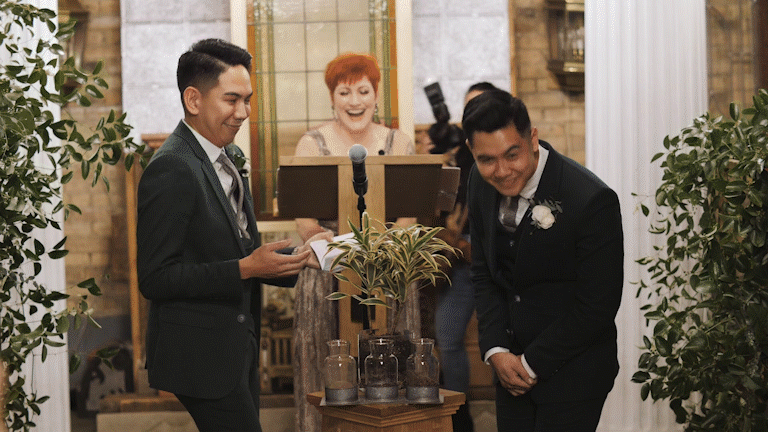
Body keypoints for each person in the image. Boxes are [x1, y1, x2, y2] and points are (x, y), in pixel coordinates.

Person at [136, 38, 327, 432]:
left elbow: (237, 250)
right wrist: (245, 268)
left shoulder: (226, 156)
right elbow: (155, 278)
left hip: (237, 344)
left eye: (248, 100)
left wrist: (301, 257)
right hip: (200, 355)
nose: (244, 112)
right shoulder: (172, 167)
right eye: (232, 100)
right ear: (193, 99)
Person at [462, 89, 623, 431]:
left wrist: (530, 363)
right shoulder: (478, 180)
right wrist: (496, 350)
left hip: (574, 373)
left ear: (532, 139)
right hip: (509, 370)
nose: (502, 171)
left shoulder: (591, 199)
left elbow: (597, 306)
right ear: (471, 152)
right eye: (487, 159)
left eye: (512, 155)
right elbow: (484, 273)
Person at [292, 52, 414, 432]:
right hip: (327, 273)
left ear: (376, 95)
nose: (355, 101)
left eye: (363, 91)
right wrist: (328, 246)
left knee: (390, 373)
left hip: (387, 273)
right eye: (344, 92)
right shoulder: (311, 143)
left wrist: (379, 253)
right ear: (332, 97)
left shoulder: (398, 142)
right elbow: (304, 219)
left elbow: (409, 216)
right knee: (326, 373)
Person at [428, 81, 499, 432]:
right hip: (459, 258)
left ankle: (512, 412)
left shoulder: (503, 154)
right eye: (469, 107)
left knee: (503, 340)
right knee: (447, 337)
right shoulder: (457, 154)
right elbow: (441, 207)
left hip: (497, 259)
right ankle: (460, 419)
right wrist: (434, 162)